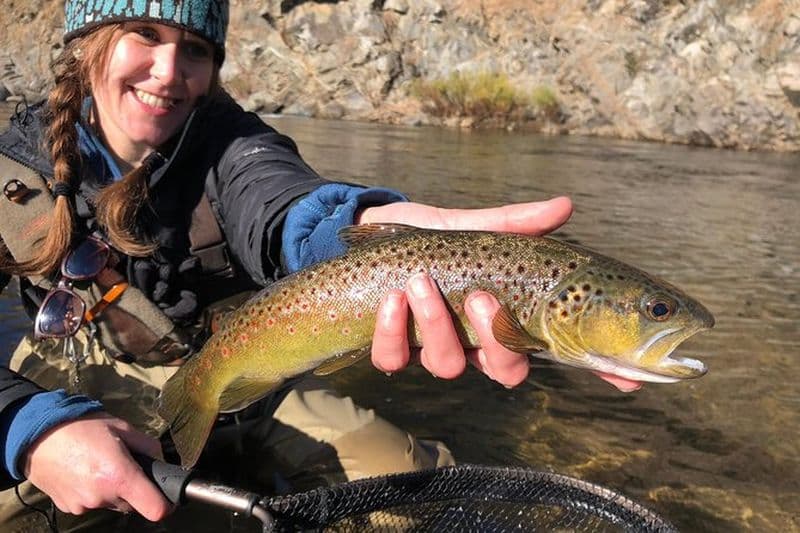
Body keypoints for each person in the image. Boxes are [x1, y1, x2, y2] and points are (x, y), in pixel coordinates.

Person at [0, 1, 640, 530]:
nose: (169, 71)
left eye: (195, 48)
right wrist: (29, 429)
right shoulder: (12, 169)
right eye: (145, 34)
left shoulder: (237, 144)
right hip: (66, 385)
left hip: (253, 371)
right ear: (87, 42)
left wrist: (356, 236)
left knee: (413, 494)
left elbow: (280, 202)